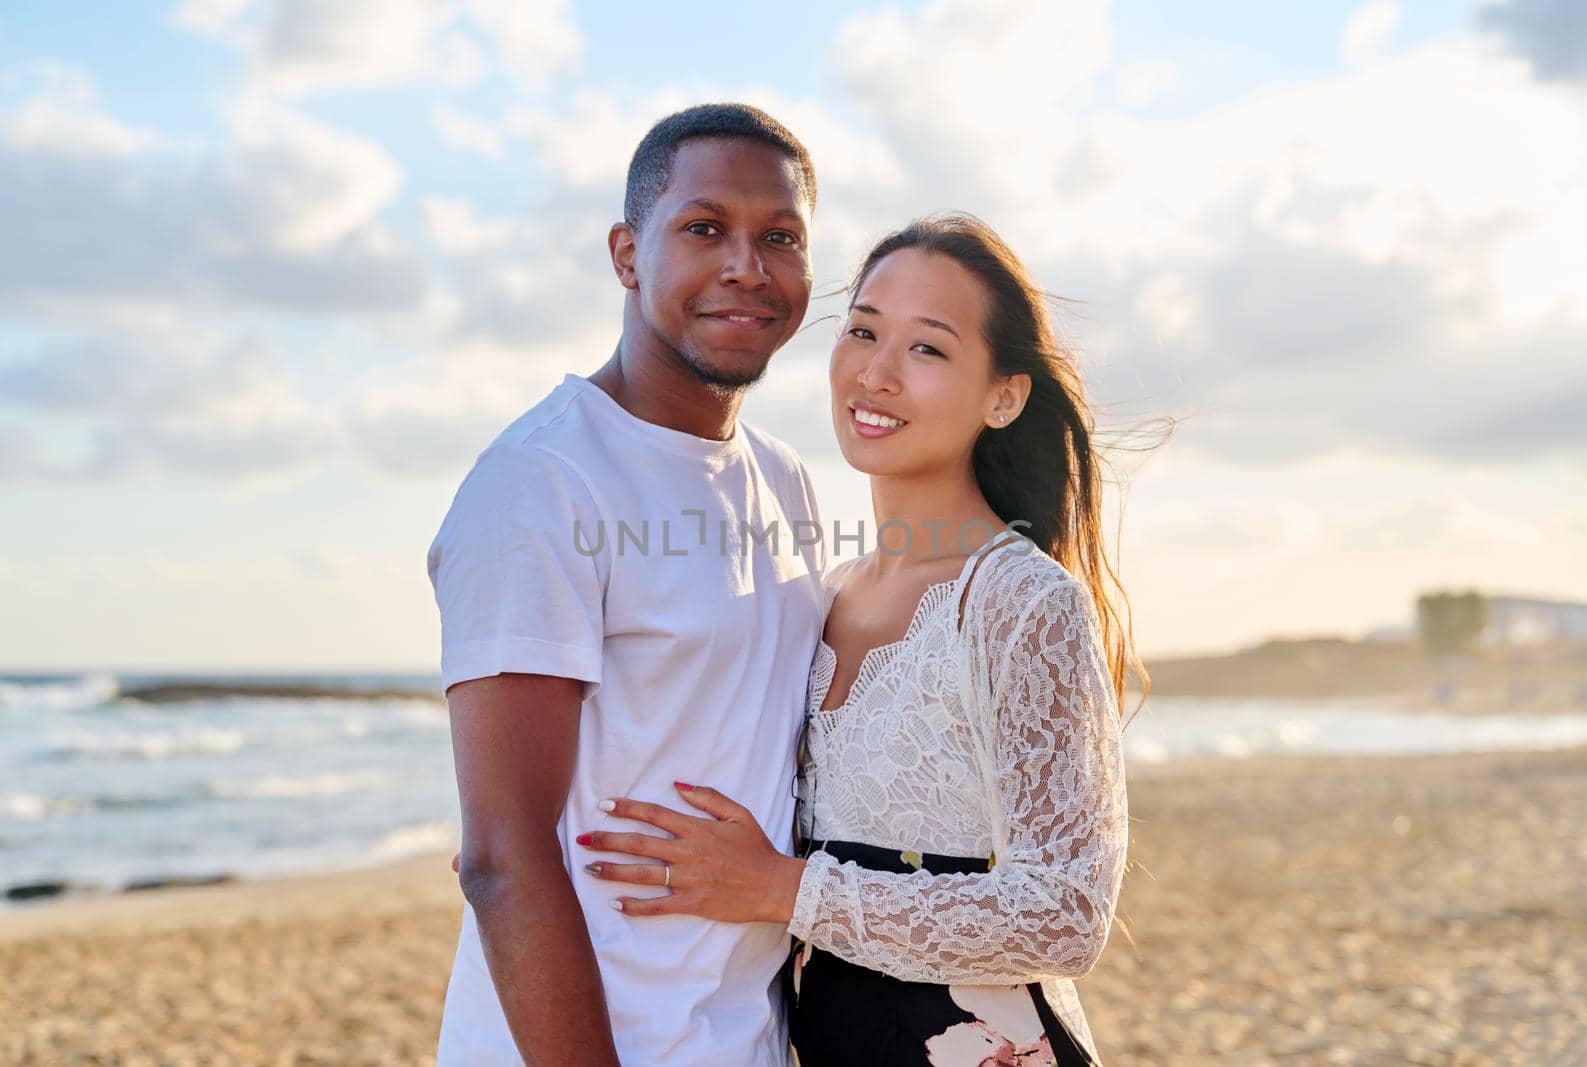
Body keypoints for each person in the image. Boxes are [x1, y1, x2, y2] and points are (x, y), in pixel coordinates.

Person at [582, 214, 1139, 1066]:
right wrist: (545, 830)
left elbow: (1068, 913)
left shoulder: (1022, 602)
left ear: (1004, 395)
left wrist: (785, 888)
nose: (876, 373)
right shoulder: (826, 593)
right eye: (864, 330)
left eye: (928, 349)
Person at [426, 103, 828, 1067]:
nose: (746, 265)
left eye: (779, 237)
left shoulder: (787, 479)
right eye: (704, 229)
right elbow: (501, 856)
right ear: (626, 253)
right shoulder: (542, 480)